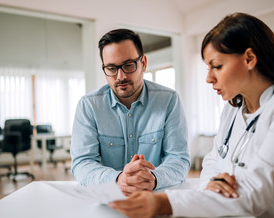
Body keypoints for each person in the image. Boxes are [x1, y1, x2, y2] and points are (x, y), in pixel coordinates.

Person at [109, 13, 274, 218]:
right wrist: (213, 184)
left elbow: (254, 193)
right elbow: (213, 162)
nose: (209, 78)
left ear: (249, 58)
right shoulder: (233, 109)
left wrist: (163, 203)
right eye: (207, 67)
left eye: (217, 66)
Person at [70, 29, 190, 196]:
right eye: (111, 68)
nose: (120, 76)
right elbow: (82, 163)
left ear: (144, 63)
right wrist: (119, 179)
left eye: (128, 65)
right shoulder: (89, 106)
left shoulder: (169, 100)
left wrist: (153, 178)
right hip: (106, 198)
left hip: (155, 197)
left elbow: (179, 159)